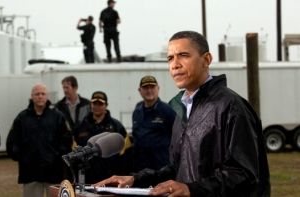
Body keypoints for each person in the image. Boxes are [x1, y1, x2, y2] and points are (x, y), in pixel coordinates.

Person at [94, 31, 270, 197]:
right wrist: (136, 179)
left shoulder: (231, 107)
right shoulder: (183, 108)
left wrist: (191, 189)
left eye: (183, 55)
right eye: (170, 58)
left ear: (206, 59)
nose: (175, 64)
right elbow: (177, 168)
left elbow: (245, 174)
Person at [6, 83, 73, 197]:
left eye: (43, 94)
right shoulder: (22, 117)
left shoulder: (57, 116)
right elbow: (12, 142)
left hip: (54, 173)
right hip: (30, 173)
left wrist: (55, 157)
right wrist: (23, 158)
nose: (40, 96)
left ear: (47, 97)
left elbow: (67, 141)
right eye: (37, 94)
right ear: (32, 97)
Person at [74, 91, 127, 183]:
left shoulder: (117, 126)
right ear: (91, 104)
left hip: (109, 179)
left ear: (106, 105)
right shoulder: (80, 127)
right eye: (95, 103)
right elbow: (75, 153)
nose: (97, 106)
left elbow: (125, 156)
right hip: (87, 179)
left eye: (100, 104)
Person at [132, 75, 176, 172]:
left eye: (152, 87)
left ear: (158, 89)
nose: (149, 90)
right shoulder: (137, 111)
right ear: (140, 90)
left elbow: (179, 137)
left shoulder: (167, 111)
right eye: (145, 88)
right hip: (140, 167)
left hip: (160, 168)